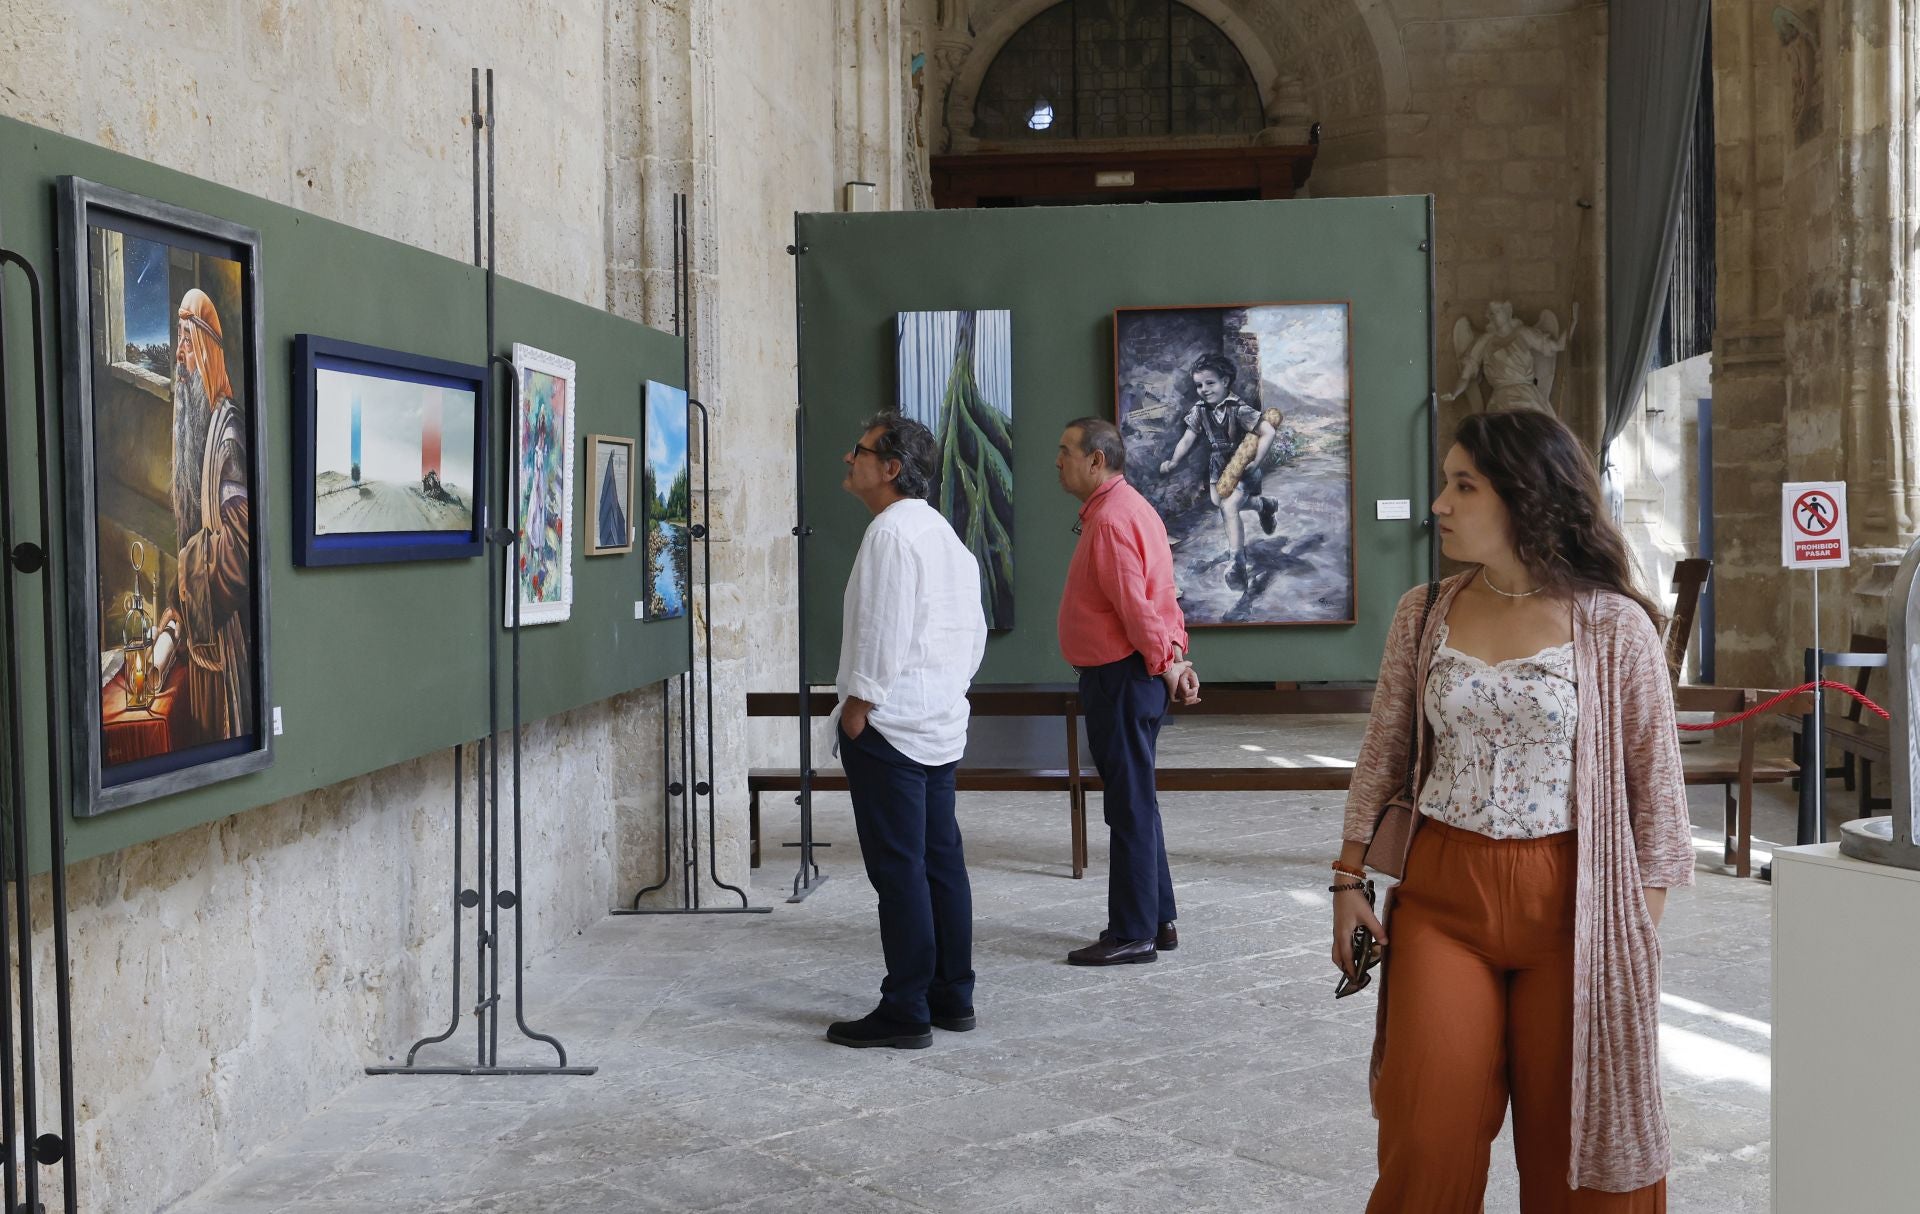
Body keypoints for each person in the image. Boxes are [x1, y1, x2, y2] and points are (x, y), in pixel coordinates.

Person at [1333, 409, 1693, 1212]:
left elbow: (1658, 803)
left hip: (1579, 908)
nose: (1441, 504)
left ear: (1526, 496)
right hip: (1443, 897)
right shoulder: (1424, 612)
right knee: (1426, 1137)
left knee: (1578, 1157)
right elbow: (1385, 753)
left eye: (1464, 485)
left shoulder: (1615, 626)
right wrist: (1346, 879)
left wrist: (1631, 938)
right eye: (1446, 483)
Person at [827, 413, 988, 1049]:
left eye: (860, 451)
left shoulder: (891, 534)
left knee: (899, 871)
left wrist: (858, 706)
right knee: (940, 863)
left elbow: (881, 631)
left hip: (891, 726)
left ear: (890, 468)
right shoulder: (941, 532)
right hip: (937, 720)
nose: (849, 457)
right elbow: (971, 633)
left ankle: (906, 1007)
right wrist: (946, 693)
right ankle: (954, 995)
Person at [1057, 417, 1200, 966]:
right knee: (1137, 800)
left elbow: (1137, 608)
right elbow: (1163, 596)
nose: (1059, 461)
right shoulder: (1131, 508)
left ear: (1097, 460)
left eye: (1067, 451)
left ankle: (1132, 931)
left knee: (1129, 806)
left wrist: (1166, 660)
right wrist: (1175, 657)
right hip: (1129, 675)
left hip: (1119, 678)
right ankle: (1157, 920)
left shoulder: (1114, 518)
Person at [169, 287, 253, 747]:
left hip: (225, 646)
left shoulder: (227, 438)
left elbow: (238, 557)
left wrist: (184, 573)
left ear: (204, 348)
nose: (179, 353)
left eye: (186, 339)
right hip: (206, 642)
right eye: (177, 339)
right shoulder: (202, 430)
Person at [1157, 353, 1279, 591]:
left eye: (1210, 383)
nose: (1204, 389)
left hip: (1241, 465)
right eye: (1199, 385)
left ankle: (1237, 563)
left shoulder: (1238, 409)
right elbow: (1187, 438)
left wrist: (1255, 461)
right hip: (1217, 466)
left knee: (1229, 507)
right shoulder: (1200, 410)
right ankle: (1265, 505)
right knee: (1218, 502)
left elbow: (1268, 432)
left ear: (1225, 381)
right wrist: (1173, 461)